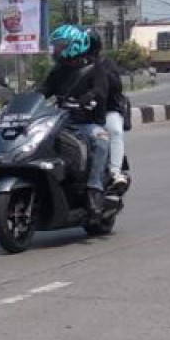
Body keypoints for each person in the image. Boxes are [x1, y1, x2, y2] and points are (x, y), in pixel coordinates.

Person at [39, 25, 112, 218]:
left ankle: (94, 189)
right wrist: (22, 99)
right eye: (55, 46)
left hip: (86, 123)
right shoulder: (58, 70)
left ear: (75, 45)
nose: (56, 50)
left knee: (101, 140)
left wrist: (89, 97)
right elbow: (44, 90)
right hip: (59, 122)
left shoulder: (94, 68)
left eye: (60, 46)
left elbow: (101, 90)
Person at [87, 30, 130, 193]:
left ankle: (115, 172)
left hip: (106, 110)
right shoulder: (71, 66)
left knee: (115, 131)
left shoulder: (106, 64)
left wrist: (102, 73)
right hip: (80, 112)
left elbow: (116, 87)